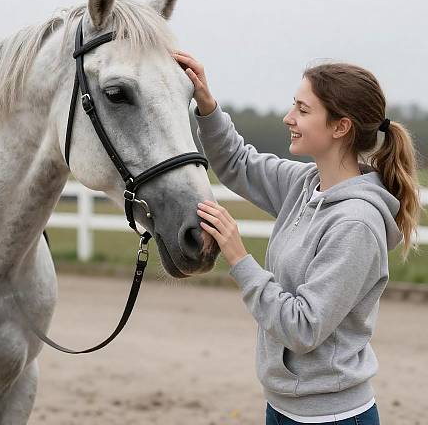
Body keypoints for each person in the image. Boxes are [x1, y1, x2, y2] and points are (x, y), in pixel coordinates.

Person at [172, 51, 421, 425]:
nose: (289, 118)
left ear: (340, 127)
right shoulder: (304, 185)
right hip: (283, 408)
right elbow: (237, 163)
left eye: (303, 110)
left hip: (333, 418)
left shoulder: (357, 224)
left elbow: (302, 328)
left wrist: (240, 259)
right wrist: (207, 106)